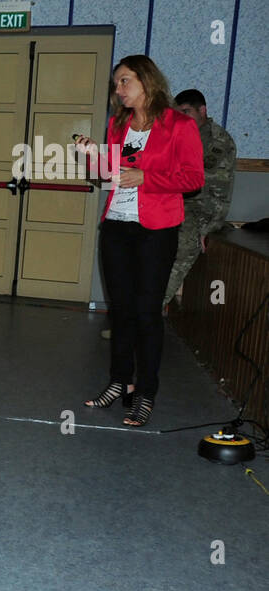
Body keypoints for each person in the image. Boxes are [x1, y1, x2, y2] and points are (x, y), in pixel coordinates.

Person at [79, 55, 204, 427]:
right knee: (120, 310)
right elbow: (115, 175)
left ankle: (145, 391)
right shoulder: (119, 125)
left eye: (124, 81)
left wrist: (146, 179)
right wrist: (93, 158)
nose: (118, 90)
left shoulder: (178, 125)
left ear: (147, 81)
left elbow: (192, 178)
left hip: (156, 228)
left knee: (147, 312)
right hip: (117, 224)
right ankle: (119, 382)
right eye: (116, 84)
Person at [164, 89, 238, 306]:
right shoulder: (178, 135)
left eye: (187, 112)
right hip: (174, 205)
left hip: (200, 210)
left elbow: (219, 191)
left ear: (202, 110)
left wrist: (211, 227)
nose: (182, 118)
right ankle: (131, 316)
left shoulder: (218, 142)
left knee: (181, 250)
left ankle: (145, 317)